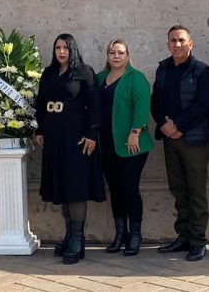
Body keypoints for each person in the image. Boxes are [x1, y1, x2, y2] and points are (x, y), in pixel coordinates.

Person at [35, 33, 104, 264]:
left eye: (65, 47)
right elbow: (40, 104)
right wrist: (40, 130)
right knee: (62, 187)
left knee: (75, 187)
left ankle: (78, 239)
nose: (61, 51)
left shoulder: (84, 71)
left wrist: (92, 133)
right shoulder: (48, 73)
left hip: (77, 139)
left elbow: (95, 105)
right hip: (54, 138)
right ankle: (68, 235)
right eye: (57, 47)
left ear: (72, 49)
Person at [150, 25, 209, 261]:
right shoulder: (163, 69)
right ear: (168, 44)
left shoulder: (202, 70)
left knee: (196, 190)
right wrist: (164, 125)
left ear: (191, 43)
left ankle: (198, 239)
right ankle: (183, 236)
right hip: (170, 139)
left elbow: (203, 104)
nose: (177, 44)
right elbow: (155, 101)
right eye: (173, 41)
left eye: (181, 40)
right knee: (178, 189)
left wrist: (178, 125)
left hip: (194, 139)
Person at [95, 39, 152, 256]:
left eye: (120, 52)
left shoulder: (135, 78)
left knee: (129, 188)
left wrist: (135, 132)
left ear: (127, 55)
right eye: (112, 52)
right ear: (107, 56)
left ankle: (135, 235)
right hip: (107, 143)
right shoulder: (100, 78)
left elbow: (142, 106)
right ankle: (120, 234)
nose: (116, 56)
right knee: (116, 190)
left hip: (132, 144)